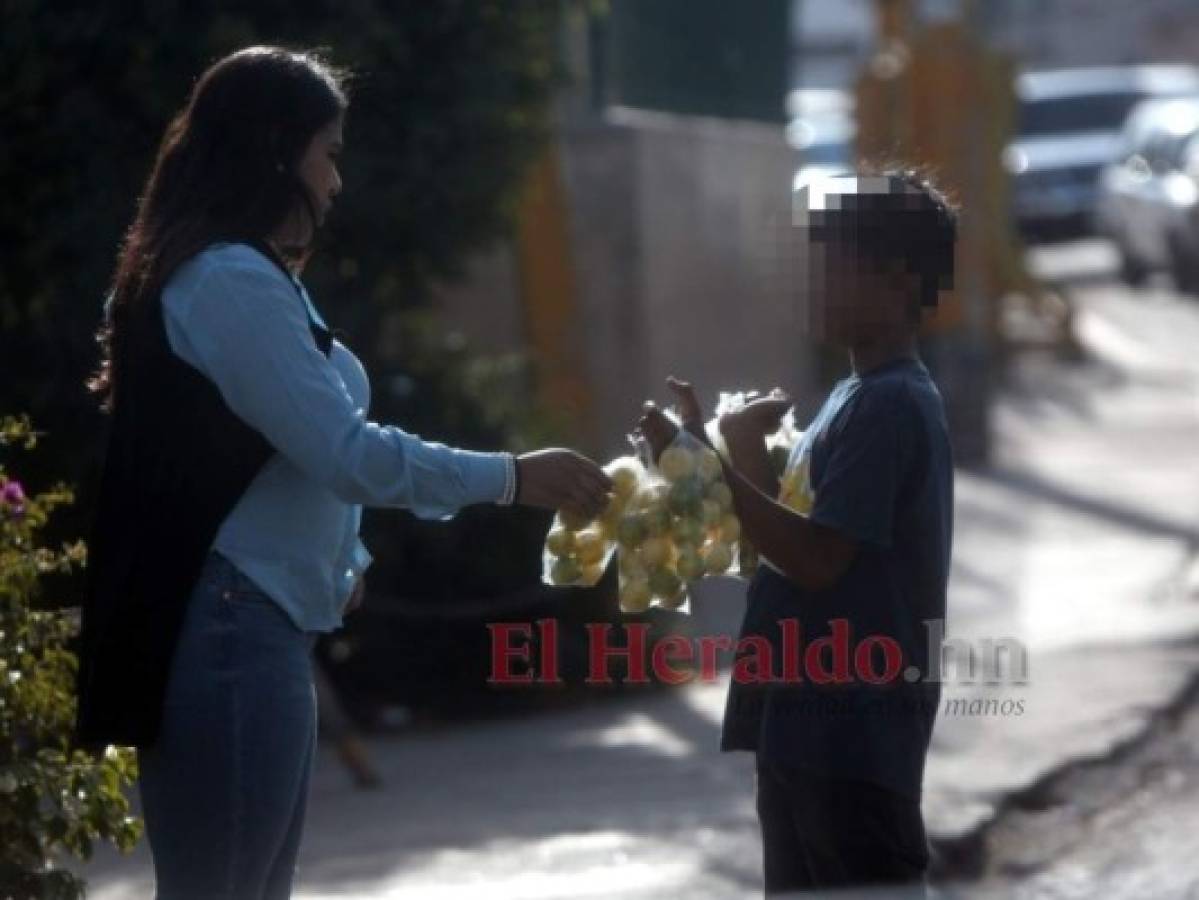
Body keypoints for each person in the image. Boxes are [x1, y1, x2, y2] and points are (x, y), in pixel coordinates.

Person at [75, 45, 611, 900]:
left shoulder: (243, 276)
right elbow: (347, 453)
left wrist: (340, 567)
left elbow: (283, 463)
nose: (335, 182)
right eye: (328, 154)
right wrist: (511, 477)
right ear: (276, 152)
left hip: (249, 625)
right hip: (230, 633)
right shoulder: (228, 282)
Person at [638, 172, 956, 896]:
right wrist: (725, 451)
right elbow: (779, 555)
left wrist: (702, 466)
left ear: (897, 279)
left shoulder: (892, 406)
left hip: (853, 737)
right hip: (800, 730)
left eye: (829, 265)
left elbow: (818, 562)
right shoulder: (850, 397)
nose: (810, 284)